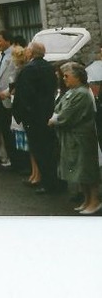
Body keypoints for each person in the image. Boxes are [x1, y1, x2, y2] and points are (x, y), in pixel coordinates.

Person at [52, 61, 100, 214]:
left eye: (67, 76)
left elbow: (66, 115)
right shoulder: (72, 91)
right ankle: (87, 200)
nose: (64, 79)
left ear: (77, 77)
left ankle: (95, 201)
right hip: (72, 137)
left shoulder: (82, 93)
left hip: (82, 138)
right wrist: (57, 116)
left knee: (86, 171)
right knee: (80, 172)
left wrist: (55, 119)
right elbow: (58, 108)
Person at [14, 41, 60, 193]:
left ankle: (48, 183)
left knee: (39, 150)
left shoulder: (28, 70)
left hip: (34, 117)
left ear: (30, 53)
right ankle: (52, 180)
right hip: (48, 111)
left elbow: (24, 95)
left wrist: (23, 115)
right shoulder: (49, 67)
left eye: (27, 50)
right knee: (49, 149)